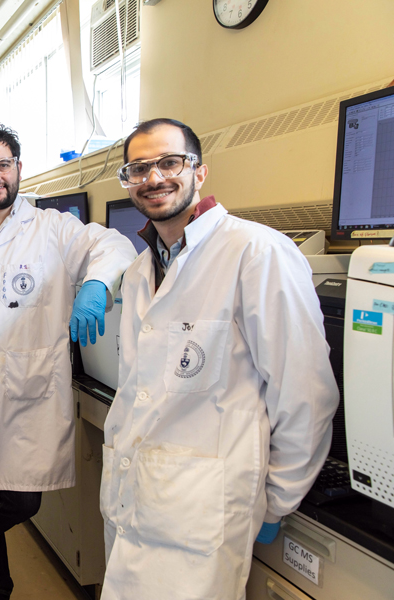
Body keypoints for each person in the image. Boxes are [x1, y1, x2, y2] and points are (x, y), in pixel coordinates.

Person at [100, 118, 338, 599]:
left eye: (170, 162)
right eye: (138, 169)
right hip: (132, 497)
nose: (154, 178)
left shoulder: (256, 251)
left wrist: (276, 499)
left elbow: (305, 392)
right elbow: (139, 390)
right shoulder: (143, 268)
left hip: (203, 512)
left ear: (199, 172)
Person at [0, 122, 137, 600]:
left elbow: (114, 244)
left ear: (19, 167)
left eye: (3, 164)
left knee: (19, 498)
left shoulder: (53, 228)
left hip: (26, 392)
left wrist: (97, 284)